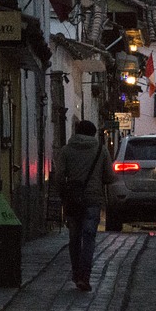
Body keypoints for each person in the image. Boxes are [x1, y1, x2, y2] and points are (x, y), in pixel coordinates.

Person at [59, 119, 115, 291]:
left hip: (73, 201)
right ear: (93, 133)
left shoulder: (66, 150)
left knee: (74, 238)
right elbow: (109, 177)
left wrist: (65, 195)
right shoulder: (101, 150)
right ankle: (85, 275)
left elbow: (60, 177)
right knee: (89, 237)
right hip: (92, 199)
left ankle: (76, 274)